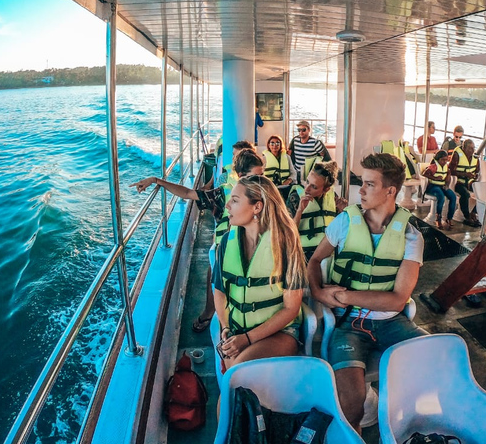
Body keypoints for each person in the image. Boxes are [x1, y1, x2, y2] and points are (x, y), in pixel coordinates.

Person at [307, 153, 426, 431]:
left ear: (390, 191)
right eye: (362, 182)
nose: (360, 190)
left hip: (392, 323)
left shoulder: (411, 236)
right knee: (352, 402)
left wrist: (345, 296)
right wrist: (318, 292)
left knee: (437, 361)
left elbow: (397, 300)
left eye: (370, 184)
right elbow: (313, 261)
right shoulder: (345, 223)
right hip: (347, 325)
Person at [131, 149, 265, 332]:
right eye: (256, 176)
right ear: (241, 175)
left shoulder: (265, 195)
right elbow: (188, 193)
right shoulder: (223, 194)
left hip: (256, 248)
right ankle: (210, 312)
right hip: (227, 249)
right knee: (214, 275)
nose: (261, 181)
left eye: (262, 175)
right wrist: (157, 181)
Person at [213, 175, 307, 369]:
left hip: (280, 333)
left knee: (238, 371)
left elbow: (291, 308)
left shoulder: (286, 243)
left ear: (257, 207)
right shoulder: (225, 243)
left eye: (235, 200)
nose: (227, 206)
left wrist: (247, 339)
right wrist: (226, 328)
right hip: (237, 330)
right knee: (235, 379)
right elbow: (220, 292)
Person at [286, 161, 348, 261]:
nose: (307, 188)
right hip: (301, 256)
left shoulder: (333, 199)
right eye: (307, 182)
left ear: (326, 190)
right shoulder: (295, 197)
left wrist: (342, 212)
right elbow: (287, 234)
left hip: (327, 257)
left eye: (314, 187)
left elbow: (340, 231)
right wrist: (299, 211)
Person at [450, 139, 481, 227]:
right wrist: (464, 174)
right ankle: (467, 217)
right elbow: (451, 171)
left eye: (473, 148)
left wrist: (475, 176)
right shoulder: (457, 155)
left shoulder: (475, 157)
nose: (472, 151)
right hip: (458, 182)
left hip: (470, 182)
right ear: (464, 148)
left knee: (483, 192)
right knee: (465, 194)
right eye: (470, 148)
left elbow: (477, 171)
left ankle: (473, 213)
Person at [422, 150, 457, 229]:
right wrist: (435, 178)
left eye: (446, 160)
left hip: (442, 186)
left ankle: (449, 218)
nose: (445, 162)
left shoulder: (446, 167)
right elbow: (424, 174)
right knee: (441, 197)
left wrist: (447, 184)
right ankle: (438, 218)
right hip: (433, 186)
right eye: (443, 160)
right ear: (438, 159)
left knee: (453, 197)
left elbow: (448, 174)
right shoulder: (433, 167)